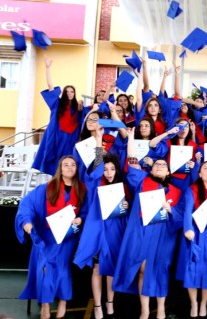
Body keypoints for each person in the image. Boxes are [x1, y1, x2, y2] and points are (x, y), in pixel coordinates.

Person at [112, 146, 184, 319]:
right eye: (156, 164)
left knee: (161, 269)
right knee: (143, 269)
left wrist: (171, 210)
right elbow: (131, 163)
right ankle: (144, 309)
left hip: (164, 235)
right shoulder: (142, 182)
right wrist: (130, 138)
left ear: (168, 172)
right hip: (142, 232)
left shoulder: (177, 191)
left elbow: (181, 216)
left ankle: (160, 308)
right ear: (150, 169)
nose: (159, 166)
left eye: (163, 165)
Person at [15, 156, 87, 319]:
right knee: (45, 268)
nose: (69, 167)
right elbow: (27, 204)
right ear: (60, 169)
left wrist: (80, 218)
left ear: (77, 169)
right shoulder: (47, 188)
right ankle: (45, 304)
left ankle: (63, 302)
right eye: (65, 165)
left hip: (67, 237)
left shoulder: (82, 190)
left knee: (62, 269)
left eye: (73, 165)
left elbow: (87, 211)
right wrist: (26, 221)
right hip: (47, 237)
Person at [74, 126, 129, 319]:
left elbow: (127, 209)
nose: (108, 172)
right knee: (97, 267)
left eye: (112, 168)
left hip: (115, 230)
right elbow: (97, 165)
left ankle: (110, 304)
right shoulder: (95, 182)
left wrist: (125, 205)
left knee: (111, 267)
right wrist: (98, 140)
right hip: (98, 229)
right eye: (105, 169)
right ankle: (98, 305)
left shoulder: (121, 186)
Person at [177, 161, 207, 318]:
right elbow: (187, 211)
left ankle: (204, 303)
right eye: (205, 168)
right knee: (192, 269)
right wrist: (188, 229)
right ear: (199, 173)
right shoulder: (192, 190)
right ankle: (194, 303)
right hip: (196, 232)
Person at [32, 56, 83, 176]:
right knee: (56, 163)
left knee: (69, 163)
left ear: (74, 93)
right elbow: (50, 86)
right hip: (58, 136)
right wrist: (47, 67)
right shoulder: (57, 103)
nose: (70, 93)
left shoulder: (78, 107)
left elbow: (83, 120)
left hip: (71, 138)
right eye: (67, 91)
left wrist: (81, 109)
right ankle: (54, 186)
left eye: (72, 91)